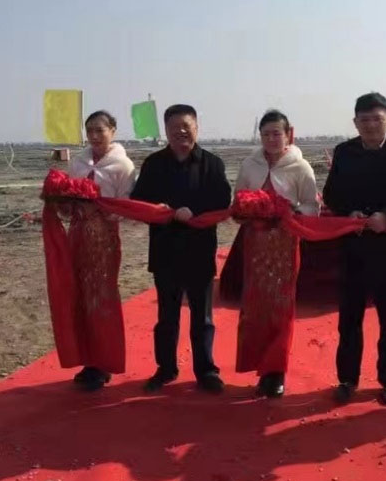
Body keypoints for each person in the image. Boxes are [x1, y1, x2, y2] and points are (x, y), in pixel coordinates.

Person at [323, 92, 386, 406]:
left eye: (377, 119)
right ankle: (347, 379)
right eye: (364, 120)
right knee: (349, 318)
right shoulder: (344, 152)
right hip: (353, 247)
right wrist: (350, 212)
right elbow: (331, 194)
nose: (370, 125)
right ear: (355, 122)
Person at [130, 104, 232, 394]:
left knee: (203, 318)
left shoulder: (213, 164)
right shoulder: (153, 164)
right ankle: (166, 368)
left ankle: (206, 371)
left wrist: (192, 211)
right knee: (167, 317)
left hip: (200, 251)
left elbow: (222, 201)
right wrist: (163, 210)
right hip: (165, 251)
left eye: (186, 126)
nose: (181, 132)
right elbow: (139, 201)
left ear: (196, 127)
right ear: (166, 131)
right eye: (174, 128)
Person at [232, 110, 319, 398]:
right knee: (255, 306)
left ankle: (276, 371)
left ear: (288, 135)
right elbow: (238, 200)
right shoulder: (250, 164)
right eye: (266, 134)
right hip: (255, 245)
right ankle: (260, 367)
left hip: (284, 245)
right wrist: (246, 209)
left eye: (276, 134)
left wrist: (289, 210)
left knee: (280, 308)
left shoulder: (300, 167)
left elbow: (312, 207)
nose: (271, 139)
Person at [65, 110, 136, 390]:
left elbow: (125, 205)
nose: (94, 136)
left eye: (100, 130)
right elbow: (69, 200)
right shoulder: (78, 162)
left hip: (104, 239)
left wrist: (102, 210)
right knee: (81, 296)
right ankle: (88, 359)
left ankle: (104, 361)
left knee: (102, 297)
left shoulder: (123, 166)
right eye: (90, 131)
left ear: (113, 131)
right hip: (77, 236)